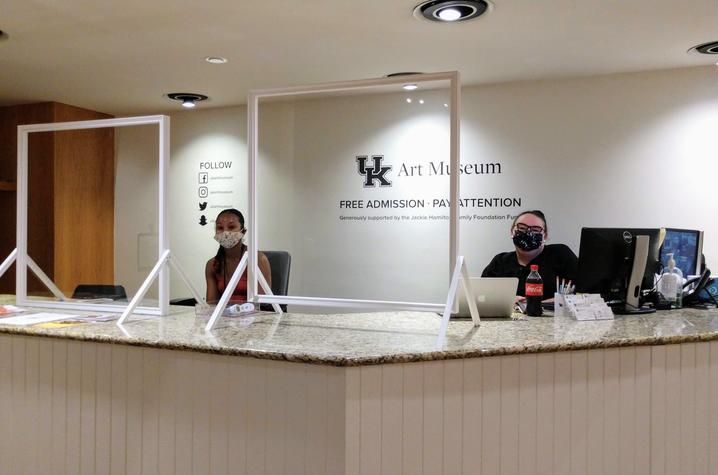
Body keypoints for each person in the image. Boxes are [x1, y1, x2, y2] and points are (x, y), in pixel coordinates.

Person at [481, 210, 577, 301]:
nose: (528, 233)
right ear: (512, 232)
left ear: (545, 236)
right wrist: (507, 301)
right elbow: (481, 295)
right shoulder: (500, 261)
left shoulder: (560, 255)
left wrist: (533, 305)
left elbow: (584, 294)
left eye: (535, 230)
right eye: (522, 228)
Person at [205, 208, 272, 303]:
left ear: (243, 232)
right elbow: (211, 305)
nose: (225, 232)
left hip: (253, 316)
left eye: (231, 227)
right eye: (220, 228)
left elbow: (263, 304)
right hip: (224, 316)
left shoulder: (258, 260)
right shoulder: (212, 265)